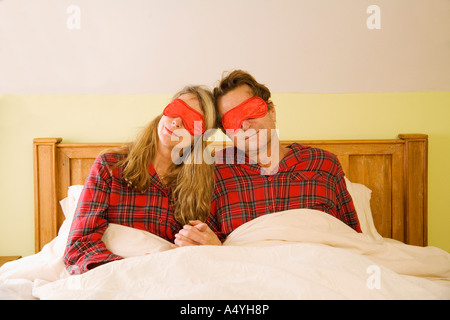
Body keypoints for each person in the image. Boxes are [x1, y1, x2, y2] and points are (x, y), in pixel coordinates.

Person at [173, 70, 361, 247]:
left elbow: (354, 241)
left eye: (251, 110)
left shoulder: (323, 163)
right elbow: (206, 242)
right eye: (233, 121)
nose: (245, 124)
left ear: (271, 110)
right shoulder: (215, 171)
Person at [64, 85, 216, 274]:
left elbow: (208, 250)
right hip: (112, 275)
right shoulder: (110, 166)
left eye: (192, 120)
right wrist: (131, 270)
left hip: (170, 277)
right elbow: (79, 245)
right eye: (176, 110)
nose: (177, 122)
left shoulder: (203, 184)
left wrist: (205, 246)